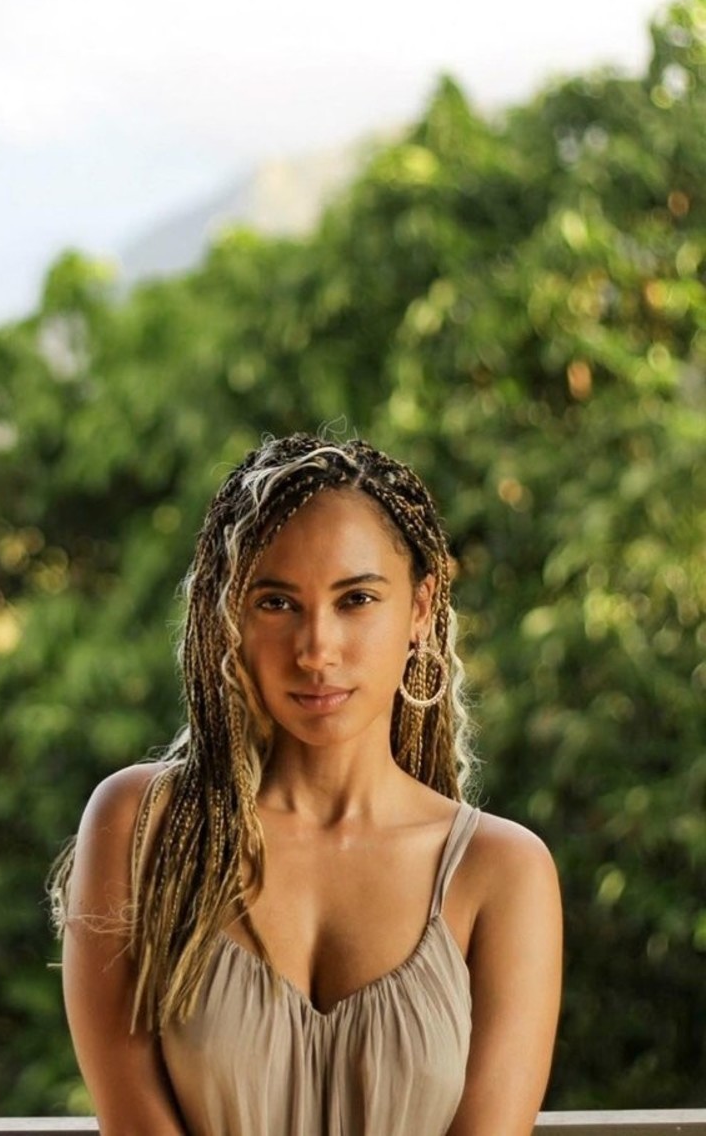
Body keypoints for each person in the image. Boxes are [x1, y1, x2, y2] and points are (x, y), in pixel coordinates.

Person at [50, 434, 562, 1136]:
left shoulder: (501, 872)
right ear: (230, 614)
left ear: (420, 609)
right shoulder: (142, 827)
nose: (317, 650)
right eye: (276, 603)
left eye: (356, 599)